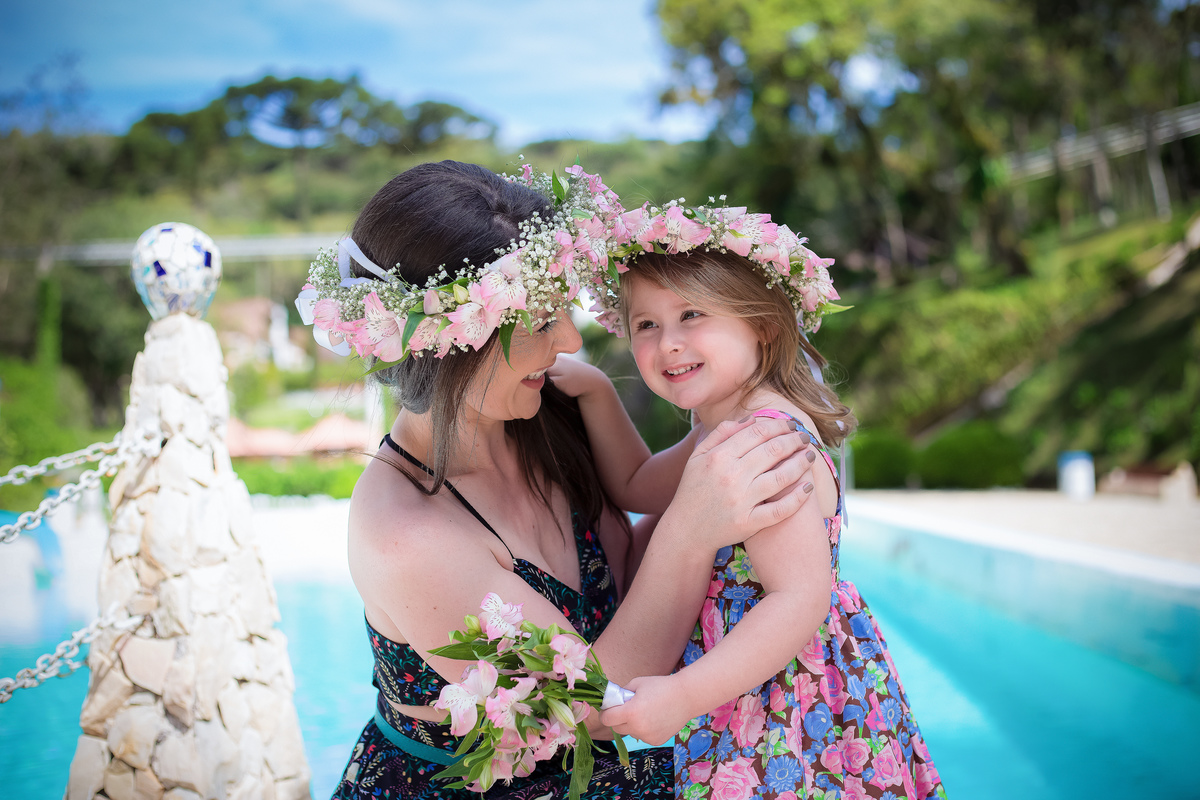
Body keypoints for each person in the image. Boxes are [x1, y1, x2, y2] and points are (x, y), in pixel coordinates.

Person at [294, 162, 820, 799]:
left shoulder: (547, 412)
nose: (572, 339)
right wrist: (692, 524)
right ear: (457, 341)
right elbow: (593, 705)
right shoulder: (407, 536)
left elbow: (632, 560)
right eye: (544, 321)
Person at [555, 199, 946, 799]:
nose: (669, 344)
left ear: (761, 322)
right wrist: (596, 391)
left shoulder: (762, 438)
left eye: (692, 314)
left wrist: (683, 695)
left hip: (787, 708)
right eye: (647, 325)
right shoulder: (723, 425)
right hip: (745, 681)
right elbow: (636, 486)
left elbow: (798, 597)